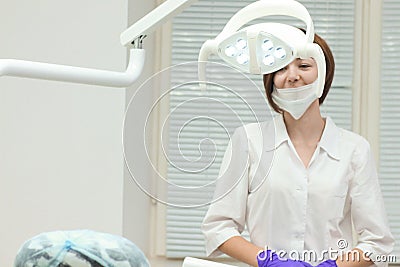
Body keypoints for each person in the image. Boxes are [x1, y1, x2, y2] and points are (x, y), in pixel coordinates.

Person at [201, 29, 394, 267]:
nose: (292, 76)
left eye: (303, 66)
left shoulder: (354, 149)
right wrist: (266, 261)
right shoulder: (249, 141)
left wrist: (334, 266)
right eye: (281, 67)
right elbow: (219, 227)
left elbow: (377, 243)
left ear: (323, 74)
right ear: (270, 79)